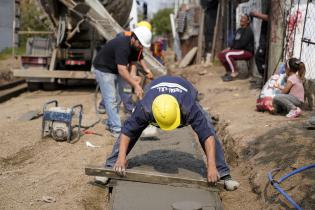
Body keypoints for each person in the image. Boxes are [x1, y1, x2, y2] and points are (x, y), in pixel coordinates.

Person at [96, 75, 240, 191]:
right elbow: (127, 132)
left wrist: (211, 166)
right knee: (131, 127)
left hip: (185, 87)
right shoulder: (145, 107)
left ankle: (223, 174)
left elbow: (207, 136)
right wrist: (121, 158)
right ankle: (110, 166)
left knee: (207, 128)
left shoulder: (189, 106)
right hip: (155, 89)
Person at [92, 26, 152, 137]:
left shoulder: (136, 47)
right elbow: (122, 69)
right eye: (140, 44)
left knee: (119, 98)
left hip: (115, 68)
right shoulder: (123, 45)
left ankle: (111, 123)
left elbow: (133, 62)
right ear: (134, 38)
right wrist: (135, 85)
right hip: (103, 68)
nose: (141, 47)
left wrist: (133, 79)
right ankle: (116, 129)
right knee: (111, 99)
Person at [218, 14, 254, 82]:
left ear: (248, 21)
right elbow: (234, 42)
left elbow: (243, 44)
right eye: (241, 18)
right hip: (238, 50)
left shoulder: (248, 31)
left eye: (243, 18)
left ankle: (234, 72)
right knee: (221, 55)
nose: (241, 20)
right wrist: (229, 48)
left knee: (227, 55)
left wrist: (232, 49)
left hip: (246, 51)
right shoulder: (239, 30)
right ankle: (229, 72)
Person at [250, 2, 270, 83]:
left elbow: (271, 18)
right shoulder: (269, 5)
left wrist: (257, 15)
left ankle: (264, 77)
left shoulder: (276, 6)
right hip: (264, 35)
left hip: (268, 37)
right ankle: (264, 78)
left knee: (259, 56)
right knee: (262, 57)